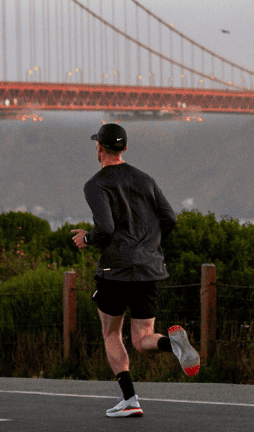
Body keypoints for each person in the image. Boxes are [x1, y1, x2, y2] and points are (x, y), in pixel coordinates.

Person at [69, 122, 199, 418]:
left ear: (99, 147)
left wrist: (87, 238)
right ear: (124, 148)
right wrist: (148, 247)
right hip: (150, 269)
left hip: (116, 271)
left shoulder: (96, 184)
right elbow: (170, 218)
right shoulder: (145, 179)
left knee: (111, 333)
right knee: (142, 338)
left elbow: (105, 228)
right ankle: (174, 345)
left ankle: (130, 400)